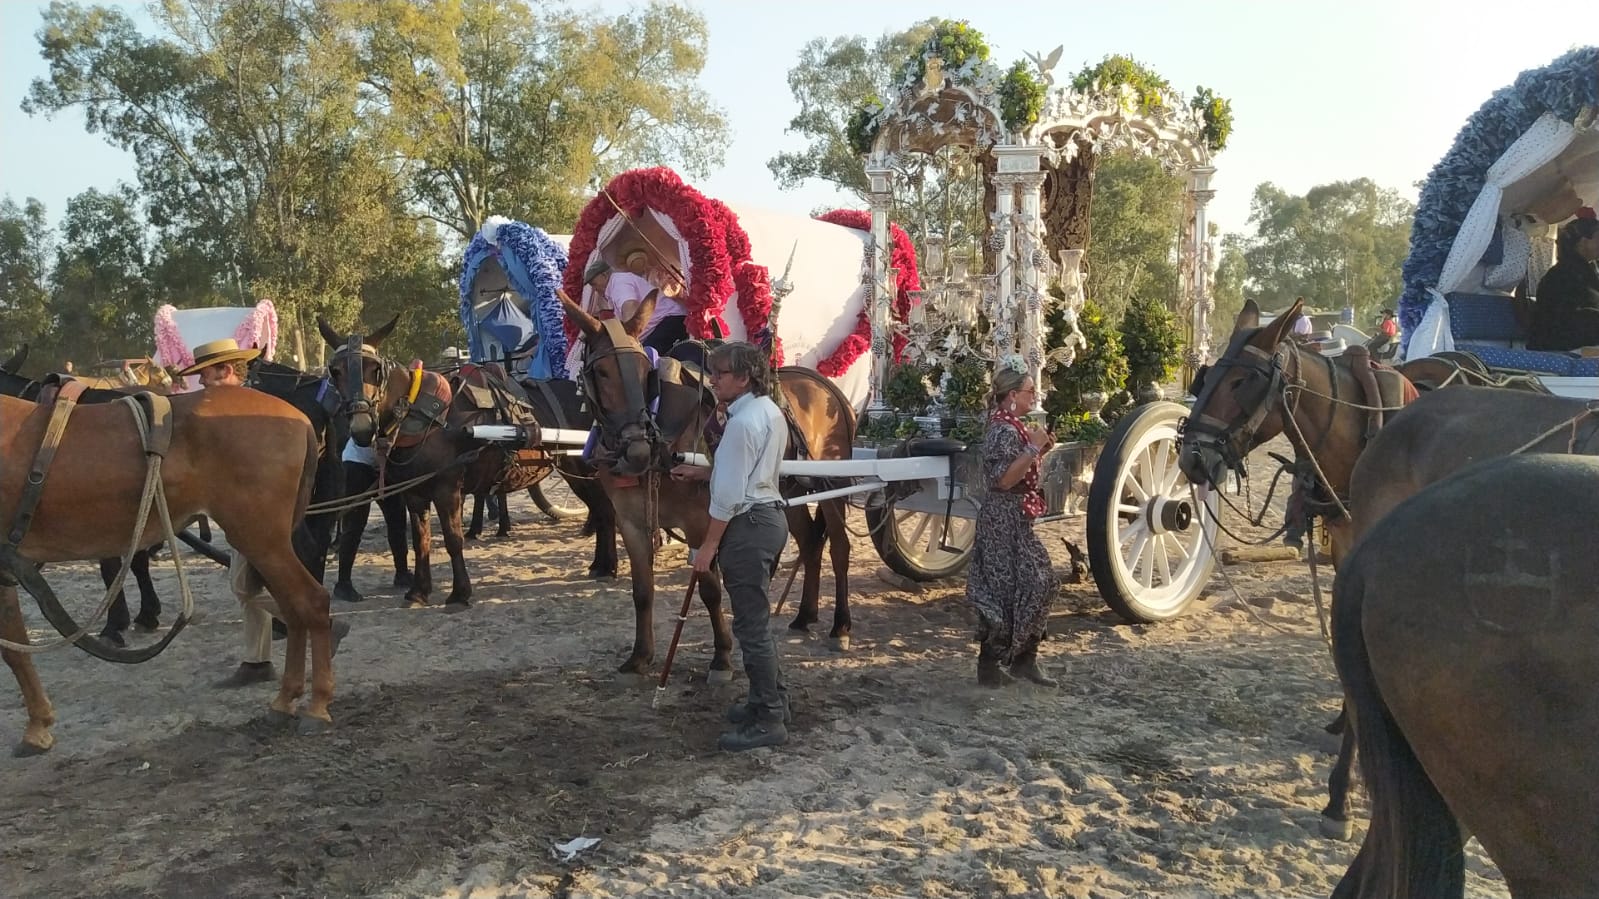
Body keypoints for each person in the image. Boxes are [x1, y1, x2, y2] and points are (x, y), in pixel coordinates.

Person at [176, 338, 349, 686]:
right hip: (239, 513)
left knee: (245, 586)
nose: (203, 384)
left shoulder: (251, 415)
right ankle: (257, 661)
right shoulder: (228, 415)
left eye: (206, 375)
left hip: (257, 513)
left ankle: (321, 625)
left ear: (226, 371)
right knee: (246, 585)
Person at [669, 341, 791, 751]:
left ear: (744, 377)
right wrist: (705, 470)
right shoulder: (767, 411)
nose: (713, 380)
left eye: (720, 373)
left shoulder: (739, 424)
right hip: (768, 516)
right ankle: (769, 698)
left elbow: (729, 494)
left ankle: (769, 718)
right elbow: (749, 468)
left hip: (747, 524)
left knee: (750, 627)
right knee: (755, 621)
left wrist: (707, 546)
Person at [965, 365, 1060, 688]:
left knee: (1039, 581)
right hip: (1001, 519)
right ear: (1012, 396)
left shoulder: (1013, 426)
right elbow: (1003, 480)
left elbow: (1019, 472)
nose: (1036, 396)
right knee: (1004, 590)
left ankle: (1023, 659)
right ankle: (991, 665)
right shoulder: (1002, 431)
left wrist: (1038, 450)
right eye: (1031, 391)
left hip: (1016, 518)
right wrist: (1032, 449)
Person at [585, 253, 690, 354]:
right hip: (665, 323)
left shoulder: (618, 283)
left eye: (594, 284)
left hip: (670, 321)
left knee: (644, 362)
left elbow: (630, 310)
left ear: (604, 275)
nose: (594, 289)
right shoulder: (616, 284)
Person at [1527, 211, 1599, 351]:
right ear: (1583, 242)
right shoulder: (1565, 275)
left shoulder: (1579, 270)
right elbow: (1570, 319)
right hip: (1559, 345)